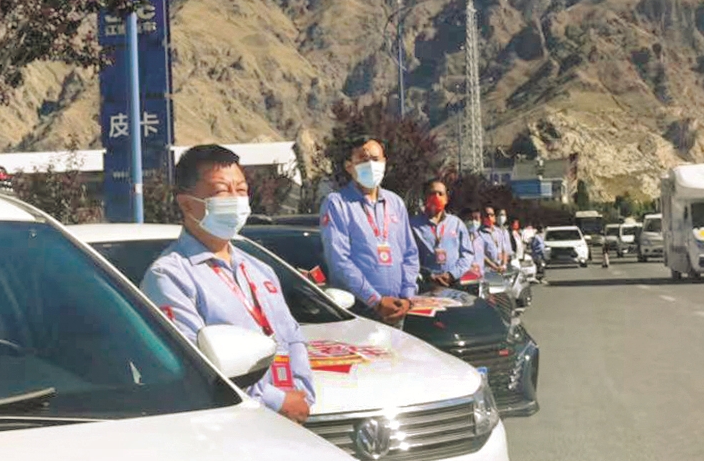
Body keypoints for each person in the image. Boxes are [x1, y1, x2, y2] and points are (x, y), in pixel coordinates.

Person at [142, 144, 315, 423]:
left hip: (289, 420)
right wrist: (277, 401)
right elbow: (197, 365)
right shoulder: (170, 277)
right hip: (231, 423)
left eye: (242, 190)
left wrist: (302, 392)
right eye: (222, 191)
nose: (236, 200)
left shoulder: (259, 269)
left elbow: (292, 337)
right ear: (186, 204)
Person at [319, 136, 419, 324]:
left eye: (375, 159)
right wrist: (376, 301)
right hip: (358, 310)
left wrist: (407, 297)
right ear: (349, 166)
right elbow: (339, 260)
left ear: (384, 162)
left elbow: (410, 254)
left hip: (397, 308)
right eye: (363, 160)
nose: (371, 165)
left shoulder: (395, 203)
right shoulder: (337, 203)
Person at [409, 177, 475, 289]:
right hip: (425, 285)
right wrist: (428, 275)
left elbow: (467, 255)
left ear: (446, 199)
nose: (436, 197)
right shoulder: (413, 225)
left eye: (440, 194)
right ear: (425, 197)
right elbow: (408, 257)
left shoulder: (456, 224)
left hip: (453, 283)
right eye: (432, 193)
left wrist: (451, 275)